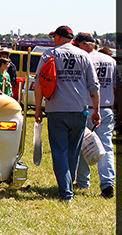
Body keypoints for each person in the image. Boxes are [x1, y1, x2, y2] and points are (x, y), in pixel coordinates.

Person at [35, 25, 100, 202]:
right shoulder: (84, 55)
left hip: (57, 110)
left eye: (54, 37)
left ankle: (66, 192)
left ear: (58, 37)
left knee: (59, 152)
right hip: (80, 110)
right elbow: (94, 85)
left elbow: (39, 82)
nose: (53, 40)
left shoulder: (50, 54)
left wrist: (39, 109)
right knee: (73, 151)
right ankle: (67, 186)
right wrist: (97, 109)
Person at [72, 33, 115, 198]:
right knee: (106, 147)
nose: (77, 48)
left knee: (83, 145)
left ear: (88, 45)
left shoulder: (85, 59)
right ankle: (107, 184)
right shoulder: (111, 61)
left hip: (87, 108)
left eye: (79, 45)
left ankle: (83, 181)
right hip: (106, 107)